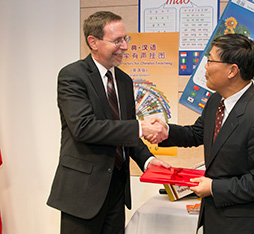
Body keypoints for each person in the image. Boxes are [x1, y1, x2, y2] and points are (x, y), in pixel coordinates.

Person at [47, 11, 169, 234]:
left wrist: (148, 160)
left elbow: (125, 131)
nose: (124, 46)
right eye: (117, 41)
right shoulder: (72, 76)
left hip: (116, 190)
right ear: (93, 42)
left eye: (125, 39)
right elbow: (84, 128)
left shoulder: (124, 80)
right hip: (83, 192)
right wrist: (141, 127)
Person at [155, 34, 254, 234]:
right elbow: (197, 133)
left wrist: (214, 187)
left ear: (232, 70)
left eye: (210, 60)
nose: (204, 67)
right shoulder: (217, 100)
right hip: (217, 219)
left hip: (245, 225)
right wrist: (165, 131)